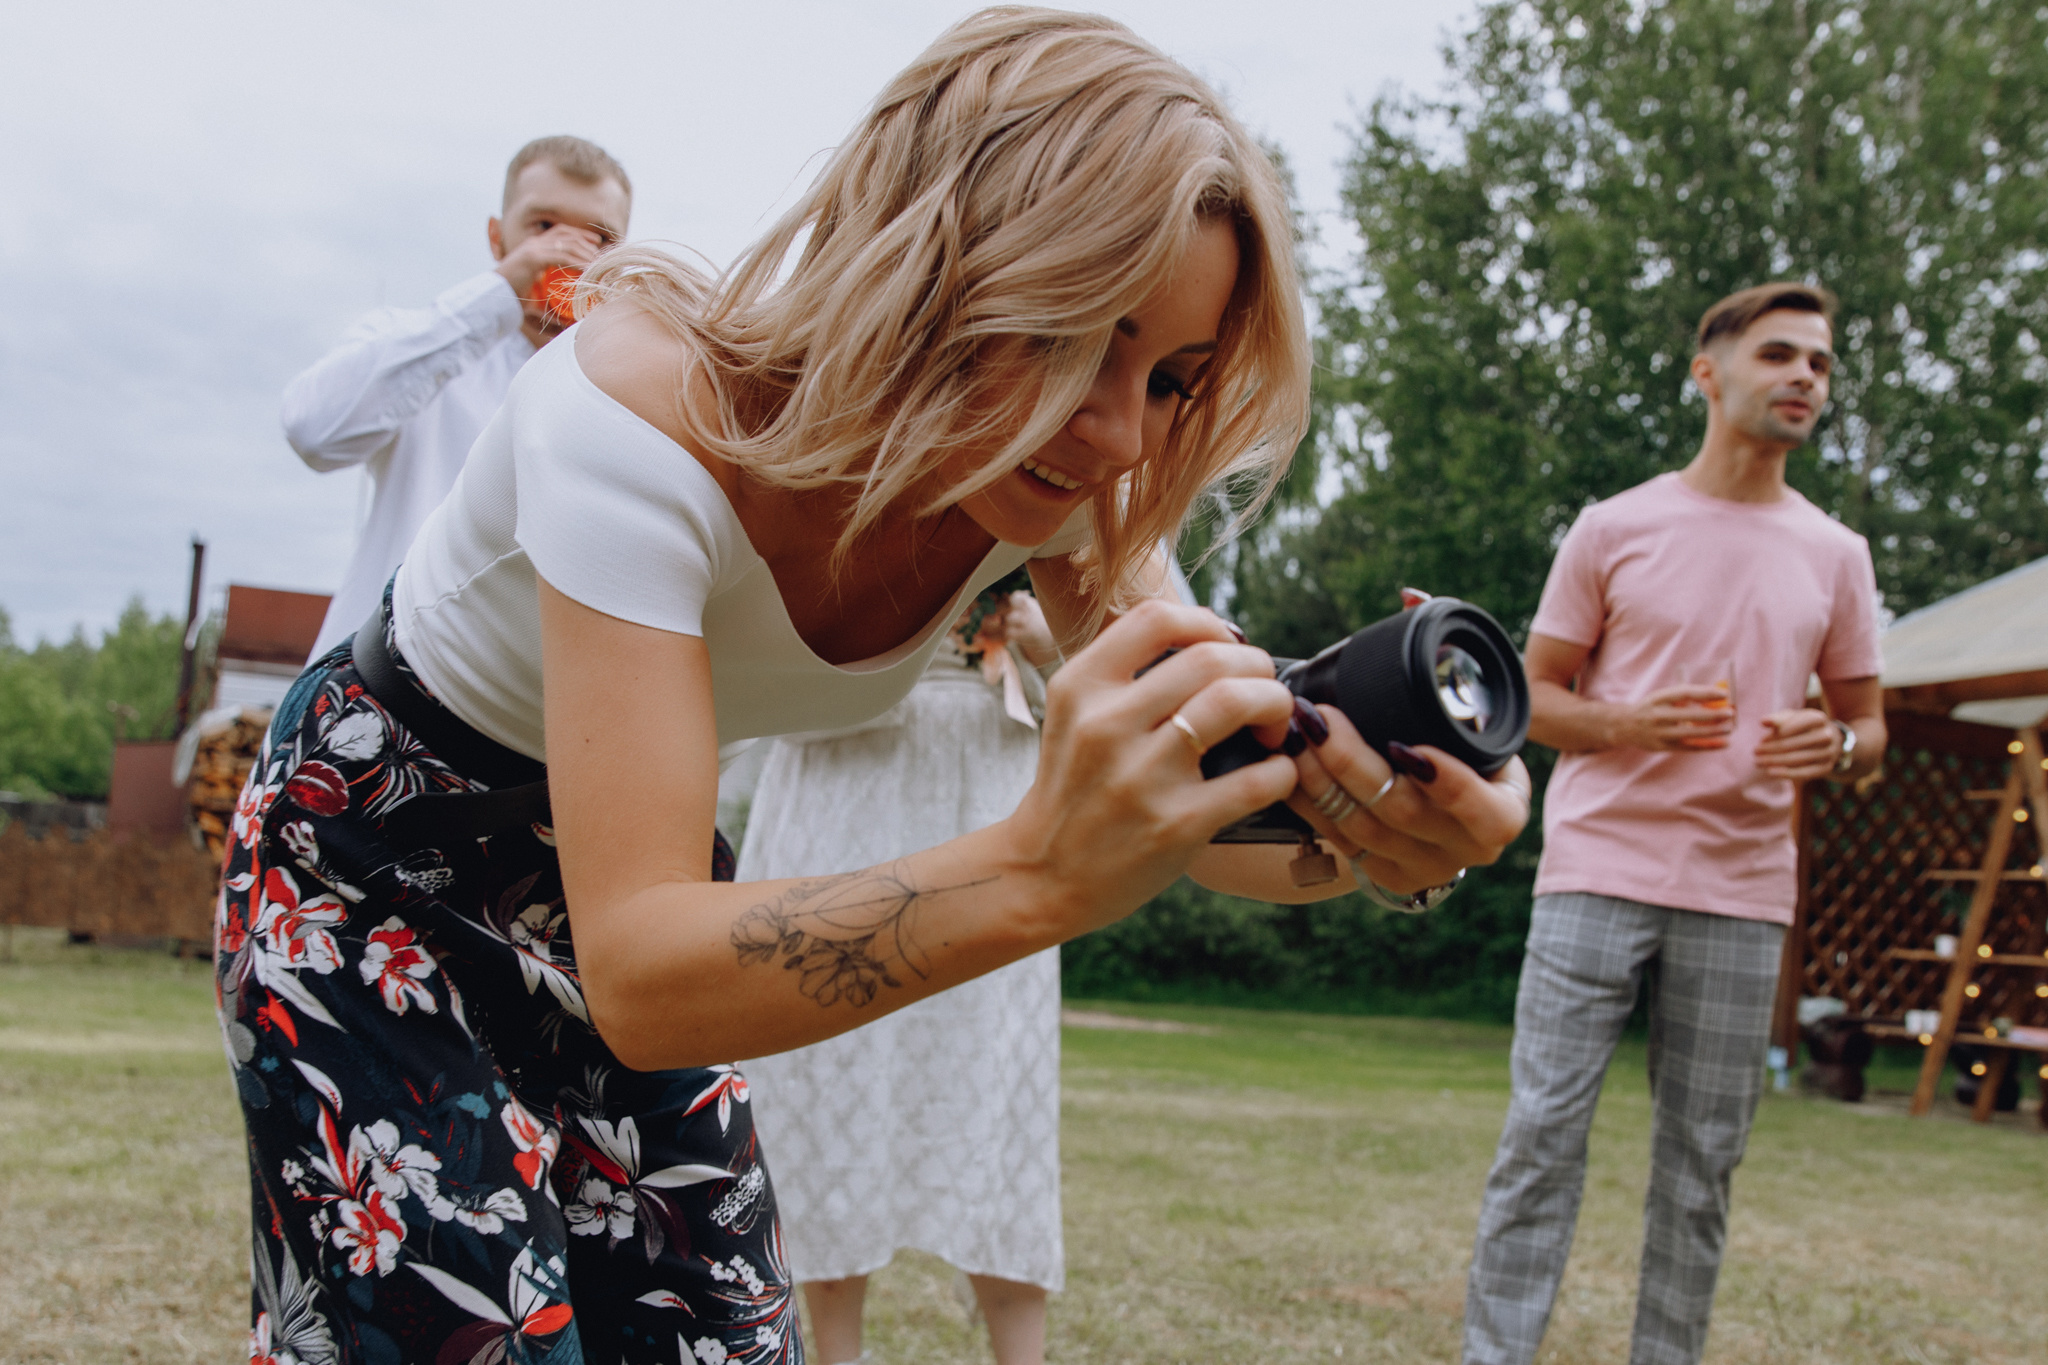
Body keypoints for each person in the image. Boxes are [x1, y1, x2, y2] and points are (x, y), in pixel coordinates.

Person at [214, 11, 1531, 1365]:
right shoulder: (637, 411)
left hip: (634, 883)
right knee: (472, 1337)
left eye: (1171, 377)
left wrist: (1386, 821)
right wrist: (1037, 870)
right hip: (370, 855)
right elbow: (647, 977)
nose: (1123, 431)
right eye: (1085, 334)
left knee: (722, 1344)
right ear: (939, 254)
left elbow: (1205, 793)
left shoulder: (1060, 482)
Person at [1460, 282, 1886, 1365]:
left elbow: (1868, 725)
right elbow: (1528, 698)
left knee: (1700, 1168)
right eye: (1779, 355)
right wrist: (1621, 720)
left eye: (1820, 364)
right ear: (1708, 374)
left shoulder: (1834, 553)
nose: (1803, 378)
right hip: (1596, 870)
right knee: (1539, 1140)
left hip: (1741, 891)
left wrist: (1832, 748)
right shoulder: (1615, 525)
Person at [737, 587, 1065, 1365]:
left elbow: (1132, 690)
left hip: (991, 791)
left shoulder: (1070, 509)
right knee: (832, 1077)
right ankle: (835, 1353)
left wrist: (1050, 648)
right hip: (846, 790)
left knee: (998, 1088)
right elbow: (763, 658)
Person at [283, 135, 632, 660]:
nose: (569, 250)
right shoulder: (419, 345)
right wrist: (502, 289)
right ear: (498, 238)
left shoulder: (630, 395)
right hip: (374, 695)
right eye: (544, 226)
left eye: (599, 239)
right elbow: (315, 432)